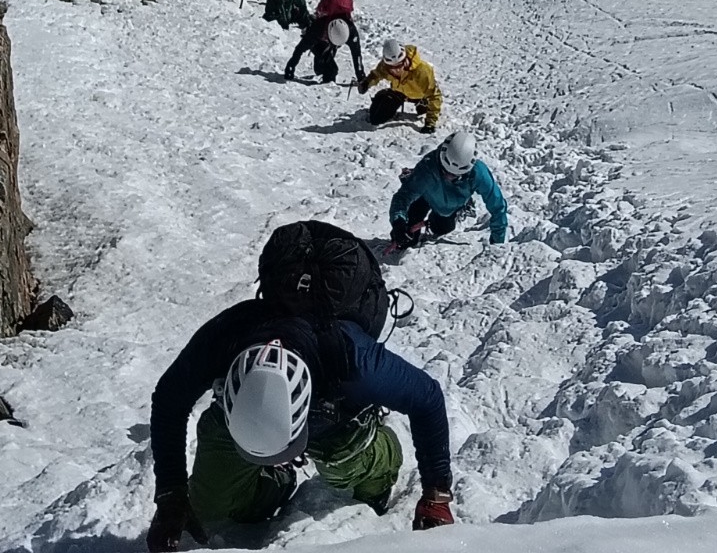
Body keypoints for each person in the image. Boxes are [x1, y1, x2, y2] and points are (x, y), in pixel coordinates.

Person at [146, 299, 454, 548]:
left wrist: (436, 494)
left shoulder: (357, 363)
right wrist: (171, 494)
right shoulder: (224, 339)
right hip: (241, 416)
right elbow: (168, 402)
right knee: (210, 506)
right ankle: (272, 484)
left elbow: (426, 397)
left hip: (334, 416)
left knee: (346, 461)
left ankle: (379, 457)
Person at [389, 130, 509, 248]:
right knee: (404, 240)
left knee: (442, 227)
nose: (449, 177)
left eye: (455, 175)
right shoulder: (427, 167)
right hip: (424, 195)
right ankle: (412, 177)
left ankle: (462, 205)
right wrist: (398, 222)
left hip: (451, 203)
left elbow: (497, 206)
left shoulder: (479, 173)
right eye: (445, 171)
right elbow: (403, 196)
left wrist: (497, 243)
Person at [359, 38, 443, 132]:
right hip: (398, 92)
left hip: (420, 96)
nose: (397, 70)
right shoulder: (385, 67)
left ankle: (423, 103)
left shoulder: (422, 71)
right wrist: (366, 83)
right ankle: (384, 95)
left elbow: (434, 96)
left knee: (422, 111)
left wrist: (430, 124)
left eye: (399, 65)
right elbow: (376, 75)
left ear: (405, 60)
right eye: (392, 68)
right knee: (376, 118)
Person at [285, 9, 367, 87]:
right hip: (320, 39)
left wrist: (361, 77)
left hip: (331, 37)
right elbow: (300, 48)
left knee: (329, 68)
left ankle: (325, 73)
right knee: (328, 69)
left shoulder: (352, 33)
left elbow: (357, 55)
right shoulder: (317, 29)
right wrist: (291, 65)